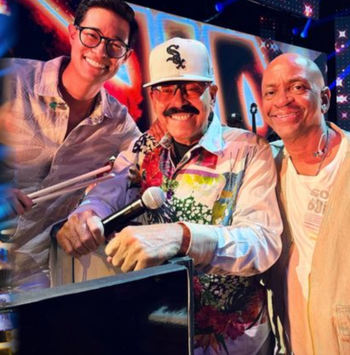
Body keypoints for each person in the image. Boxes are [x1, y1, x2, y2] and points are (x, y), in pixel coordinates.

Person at [59, 37, 282, 354]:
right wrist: (86, 215)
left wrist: (181, 237)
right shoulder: (140, 149)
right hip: (159, 334)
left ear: (212, 93)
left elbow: (263, 243)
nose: (178, 100)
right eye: (165, 89)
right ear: (152, 97)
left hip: (235, 343)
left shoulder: (248, 150)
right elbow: (106, 195)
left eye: (191, 88)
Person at [0, 0, 140, 289]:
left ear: (125, 56)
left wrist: (95, 209)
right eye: (92, 36)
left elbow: (141, 168)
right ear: (73, 33)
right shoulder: (13, 79)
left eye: (115, 45)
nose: (101, 51)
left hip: (36, 274)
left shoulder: (119, 124)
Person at [260, 53, 350, 354]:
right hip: (294, 342)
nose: (282, 100)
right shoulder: (265, 165)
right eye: (271, 92)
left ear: (324, 99)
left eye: (297, 87)